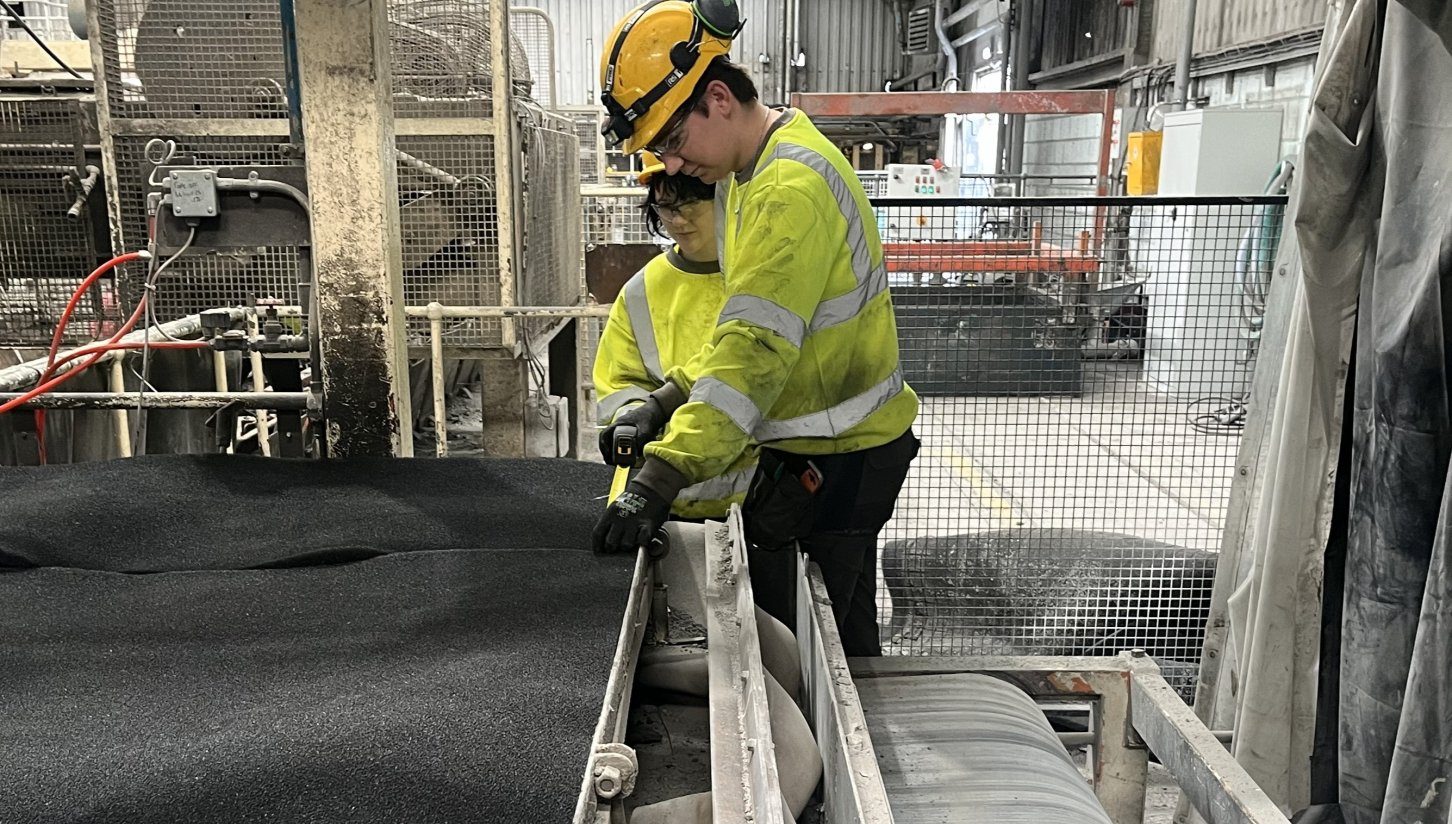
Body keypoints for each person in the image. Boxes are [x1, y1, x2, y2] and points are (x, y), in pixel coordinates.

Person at [591, 0, 919, 657]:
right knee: (830, 630)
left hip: (839, 455)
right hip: (827, 448)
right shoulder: (751, 171)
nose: (673, 167)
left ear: (718, 97)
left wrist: (658, 480)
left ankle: (835, 758)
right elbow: (746, 325)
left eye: (672, 142)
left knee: (817, 651)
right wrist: (668, 396)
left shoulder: (784, 190)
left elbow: (753, 355)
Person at [593, 154, 755, 520]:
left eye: (690, 203)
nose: (677, 219)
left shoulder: (760, 280)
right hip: (666, 498)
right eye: (666, 207)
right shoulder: (642, 290)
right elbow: (620, 379)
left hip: (762, 501)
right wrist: (631, 416)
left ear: (725, 196)